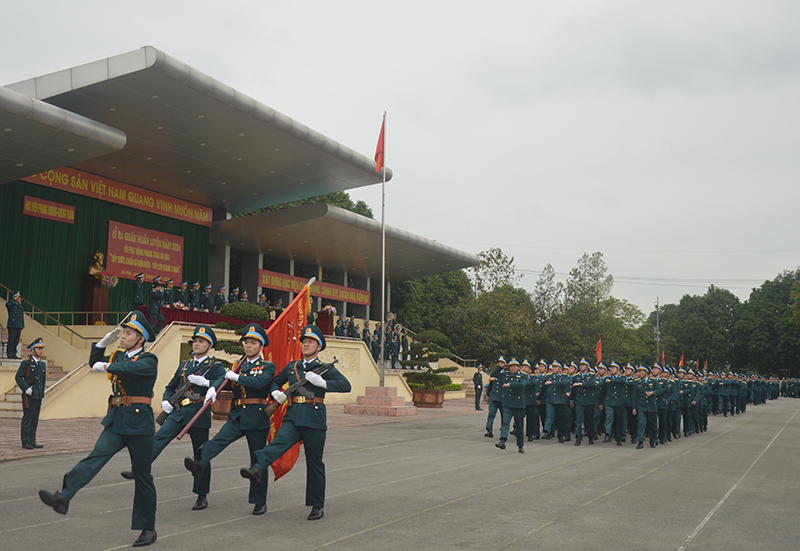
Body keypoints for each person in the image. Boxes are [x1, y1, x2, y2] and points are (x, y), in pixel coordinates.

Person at [39, 312, 159, 547]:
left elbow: (128, 369)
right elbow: (94, 363)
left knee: (143, 476)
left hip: (139, 423)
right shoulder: (120, 355)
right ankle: (64, 496)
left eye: (128, 333)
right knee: (96, 456)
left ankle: (148, 528)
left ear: (140, 339)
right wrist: (101, 345)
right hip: (117, 420)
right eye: (123, 333)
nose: (123, 336)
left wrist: (105, 364)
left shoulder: (149, 359)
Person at [240, 325, 351, 521]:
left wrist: (322, 383)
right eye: (304, 341)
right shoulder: (292, 366)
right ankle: (257, 467)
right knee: (277, 445)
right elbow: (275, 381)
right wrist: (275, 392)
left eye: (311, 341)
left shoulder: (323, 368)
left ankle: (316, 505)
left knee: (314, 463)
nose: (306, 343)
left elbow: (345, 385)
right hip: (293, 417)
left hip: (314, 419)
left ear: (319, 347)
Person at [120, 325, 225, 510]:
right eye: (195, 341)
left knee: (200, 455)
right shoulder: (184, 365)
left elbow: (223, 382)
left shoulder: (215, 366)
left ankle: (202, 495)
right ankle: (139, 468)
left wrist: (208, 383)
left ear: (209, 346)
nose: (197, 344)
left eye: (202, 342)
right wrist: (166, 400)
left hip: (198, 413)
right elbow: (171, 386)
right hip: (179, 412)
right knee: (158, 439)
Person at [184, 323, 273, 515]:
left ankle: (259, 501)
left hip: (257, 414)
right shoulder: (237, 366)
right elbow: (224, 382)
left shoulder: (267, 366)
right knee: (218, 441)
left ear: (261, 346)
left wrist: (238, 377)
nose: (248, 346)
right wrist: (211, 386)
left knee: (257, 458)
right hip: (238, 414)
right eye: (246, 342)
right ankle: (199, 462)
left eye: (253, 343)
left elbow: (260, 382)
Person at [16, 337, 46, 449]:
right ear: (32, 350)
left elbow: (42, 382)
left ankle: (32, 440)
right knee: (28, 419)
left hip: (37, 395)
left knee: (35, 419)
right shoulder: (26, 363)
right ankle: (25, 441)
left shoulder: (42, 365)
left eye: (41, 349)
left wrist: (42, 395)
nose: (40, 351)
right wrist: (26, 388)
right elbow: (18, 377)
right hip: (29, 395)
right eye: (38, 349)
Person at [495, 358, 526, 452]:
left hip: (518, 404)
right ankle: (502, 441)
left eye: (514, 366)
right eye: (511, 366)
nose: (512, 368)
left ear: (518, 367)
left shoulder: (523, 376)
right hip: (507, 403)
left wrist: (509, 385)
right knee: (505, 422)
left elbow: (522, 385)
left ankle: (520, 445)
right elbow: (494, 374)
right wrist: (501, 367)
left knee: (519, 426)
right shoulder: (506, 375)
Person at [484, 356, 506, 437]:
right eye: (499, 363)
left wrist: (495, 379)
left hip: (502, 398)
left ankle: (503, 429)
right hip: (494, 397)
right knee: (491, 414)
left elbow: (503, 380)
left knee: (504, 415)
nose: (500, 364)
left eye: (502, 363)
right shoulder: (494, 373)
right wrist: (488, 394)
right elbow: (490, 385)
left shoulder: (505, 374)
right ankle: (489, 430)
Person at [5, 291, 24, 359]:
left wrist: (22, 324)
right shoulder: (11, 305)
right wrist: (13, 299)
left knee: (16, 341)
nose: (19, 299)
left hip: (18, 325)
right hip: (12, 325)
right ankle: (9, 353)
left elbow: (21, 316)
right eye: (18, 298)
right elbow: (7, 304)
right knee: (11, 340)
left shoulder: (19, 306)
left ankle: (14, 353)